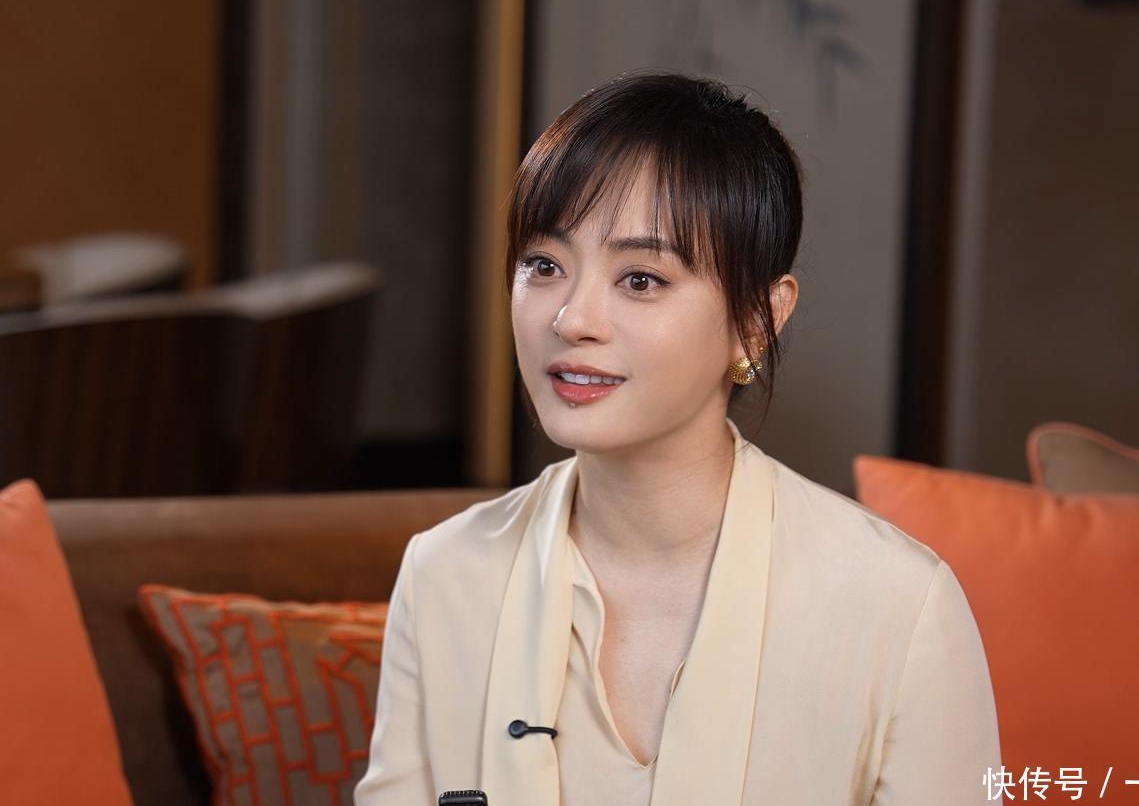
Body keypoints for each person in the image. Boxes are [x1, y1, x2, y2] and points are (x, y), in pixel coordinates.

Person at [355, 71, 1002, 805]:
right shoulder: (445, 574)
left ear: (756, 320)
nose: (572, 319)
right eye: (544, 265)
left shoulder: (897, 605)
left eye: (640, 279)